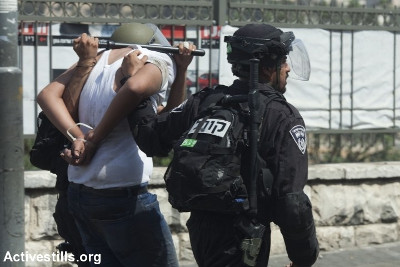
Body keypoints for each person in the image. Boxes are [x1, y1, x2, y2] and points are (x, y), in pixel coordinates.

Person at [130, 23, 319, 267]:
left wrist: (134, 84)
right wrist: (304, 257)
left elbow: (150, 138)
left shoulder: (207, 100)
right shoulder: (281, 115)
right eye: (283, 60)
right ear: (269, 65)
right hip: (245, 235)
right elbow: (291, 200)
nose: (288, 67)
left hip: (201, 230)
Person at [37, 22, 196, 267]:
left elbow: (47, 95)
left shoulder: (96, 59)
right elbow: (135, 86)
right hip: (121, 193)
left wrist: (78, 137)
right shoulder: (155, 57)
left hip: (80, 192)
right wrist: (93, 139)